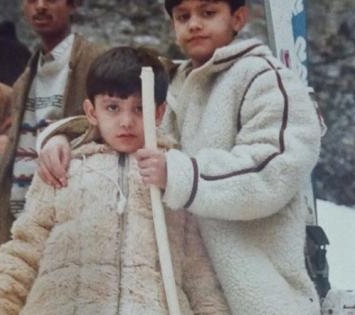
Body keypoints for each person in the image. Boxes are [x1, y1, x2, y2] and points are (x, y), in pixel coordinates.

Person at [38, 0, 324, 314]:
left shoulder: (266, 78)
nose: (195, 24)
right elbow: (123, 122)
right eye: (183, 16)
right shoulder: (170, 83)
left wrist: (179, 175)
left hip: (251, 290)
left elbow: (274, 170)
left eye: (208, 13)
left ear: (238, 18)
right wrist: (64, 136)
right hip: (183, 295)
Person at [0, 46, 230, 315]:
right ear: (92, 111)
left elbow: (199, 275)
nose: (126, 121)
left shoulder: (174, 175)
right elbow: (23, 252)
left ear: (159, 112)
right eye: (113, 107)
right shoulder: (63, 167)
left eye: (140, 108)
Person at [0, 0, 104, 266]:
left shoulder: (96, 64)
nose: (40, 6)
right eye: (31, 0)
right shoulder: (26, 79)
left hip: (69, 231)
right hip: (20, 230)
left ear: (73, 4)